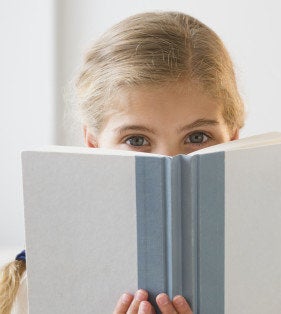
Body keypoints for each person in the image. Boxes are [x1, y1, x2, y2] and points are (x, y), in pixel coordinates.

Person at [0, 11, 245, 314]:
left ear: (233, 140)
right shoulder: (34, 289)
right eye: (137, 140)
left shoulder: (263, 260)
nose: (169, 163)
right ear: (93, 145)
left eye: (198, 136)